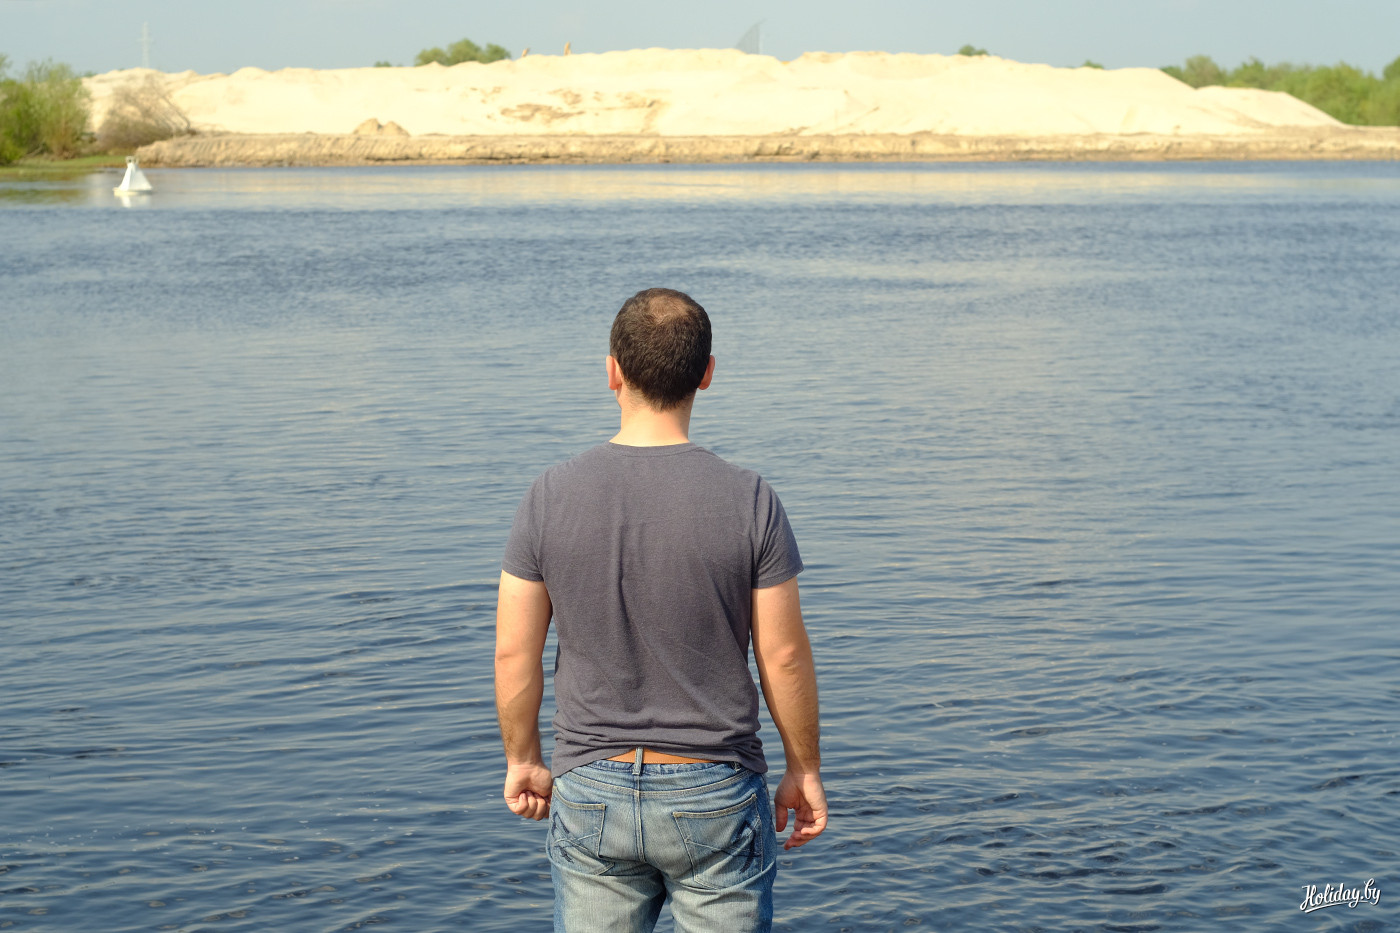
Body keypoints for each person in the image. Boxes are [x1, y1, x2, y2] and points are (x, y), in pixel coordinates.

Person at [495, 287, 827, 932]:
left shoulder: (549, 495)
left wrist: (523, 759)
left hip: (591, 782)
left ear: (612, 371)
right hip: (714, 786)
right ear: (707, 373)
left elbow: (514, 651)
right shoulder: (750, 498)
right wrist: (803, 768)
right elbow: (782, 655)